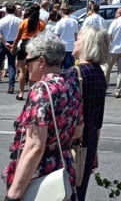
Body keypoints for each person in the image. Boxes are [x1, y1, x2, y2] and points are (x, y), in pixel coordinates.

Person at [2, 32, 83, 201]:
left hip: (40, 173)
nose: (25, 65)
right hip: (63, 168)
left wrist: (14, 194)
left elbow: (35, 146)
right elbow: (77, 131)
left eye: (29, 61)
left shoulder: (41, 90)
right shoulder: (72, 85)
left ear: (41, 61)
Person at [68, 25, 109, 201]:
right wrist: (95, 150)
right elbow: (97, 119)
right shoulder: (100, 73)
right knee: (79, 192)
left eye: (78, 38)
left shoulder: (73, 74)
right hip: (89, 143)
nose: (75, 40)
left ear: (86, 44)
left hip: (71, 145)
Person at [11, 4, 46, 101]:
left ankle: (21, 93)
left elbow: (17, 37)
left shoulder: (24, 22)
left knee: (22, 70)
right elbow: (42, 37)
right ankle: (32, 93)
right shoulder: (41, 24)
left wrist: (13, 47)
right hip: (35, 46)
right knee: (33, 71)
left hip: (24, 45)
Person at [0, 3, 21, 94]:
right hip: (14, 42)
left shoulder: (2, 20)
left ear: (7, 11)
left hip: (3, 42)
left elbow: (0, 34)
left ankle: (11, 85)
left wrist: (4, 42)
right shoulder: (19, 20)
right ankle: (11, 85)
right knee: (11, 64)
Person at [54, 5, 79, 69]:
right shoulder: (75, 22)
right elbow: (76, 36)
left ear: (62, 12)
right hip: (71, 47)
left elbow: (56, 36)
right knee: (69, 68)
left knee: (58, 68)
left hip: (61, 47)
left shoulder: (59, 23)